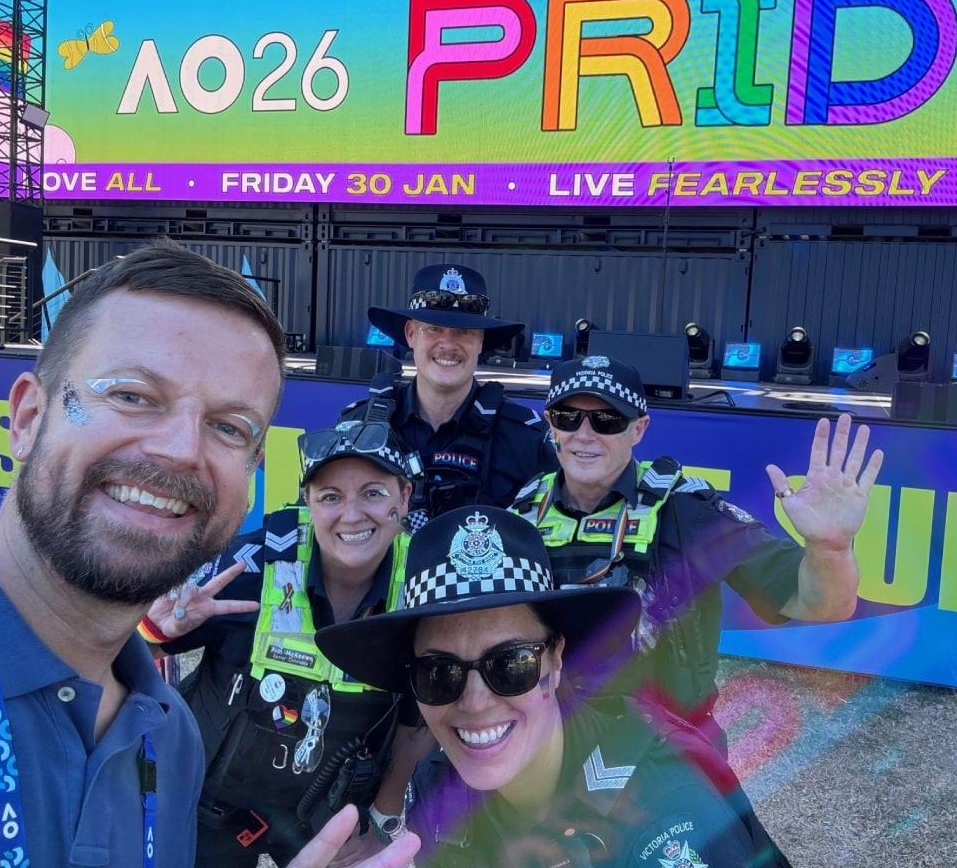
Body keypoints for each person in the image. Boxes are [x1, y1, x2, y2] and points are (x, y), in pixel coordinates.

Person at [0, 240, 418, 868]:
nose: (180, 450)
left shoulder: (169, 735)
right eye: (134, 395)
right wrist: (162, 627)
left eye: (229, 426)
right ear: (27, 417)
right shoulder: (262, 567)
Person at [316, 506, 791, 868]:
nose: (475, 703)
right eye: (439, 673)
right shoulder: (440, 782)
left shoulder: (669, 816)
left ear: (556, 659)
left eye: (512, 665)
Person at [510, 355, 883, 748]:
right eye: (568, 417)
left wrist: (830, 548)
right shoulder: (521, 510)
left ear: (639, 429)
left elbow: (820, 603)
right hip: (548, 741)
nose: (584, 434)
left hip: (664, 747)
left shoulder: (686, 509)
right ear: (550, 423)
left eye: (607, 421)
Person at [149, 401, 430, 866]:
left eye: (374, 494)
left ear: (404, 497)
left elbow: (418, 724)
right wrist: (156, 627)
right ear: (308, 501)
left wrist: (381, 820)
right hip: (204, 808)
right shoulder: (255, 562)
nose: (353, 515)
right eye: (331, 496)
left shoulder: (423, 582)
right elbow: (145, 647)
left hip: (326, 818)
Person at [367, 263, 557, 530]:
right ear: (411, 334)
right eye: (433, 329)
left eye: (464, 332)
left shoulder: (526, 439)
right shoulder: (364, 426)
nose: (448, 344)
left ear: (480, 340)